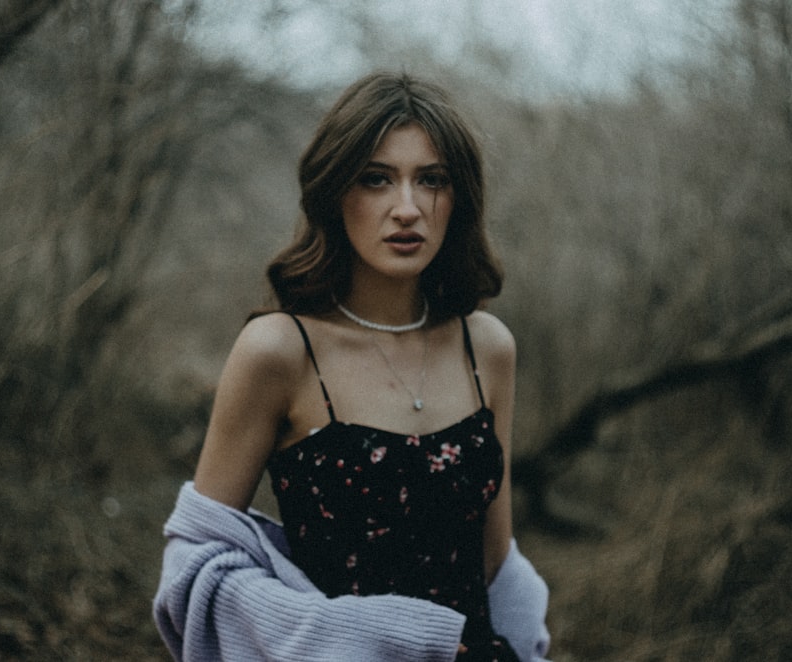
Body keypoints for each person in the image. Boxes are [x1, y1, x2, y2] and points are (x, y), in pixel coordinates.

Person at [153, 72, 550, 662]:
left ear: (458, 198)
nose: (407, 208)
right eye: (377, 179)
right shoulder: (278, 350)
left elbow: (496, 565)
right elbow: (194, 564)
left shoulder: (486, 348)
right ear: (336, 193)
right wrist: (371, 637)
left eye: (432, 180)